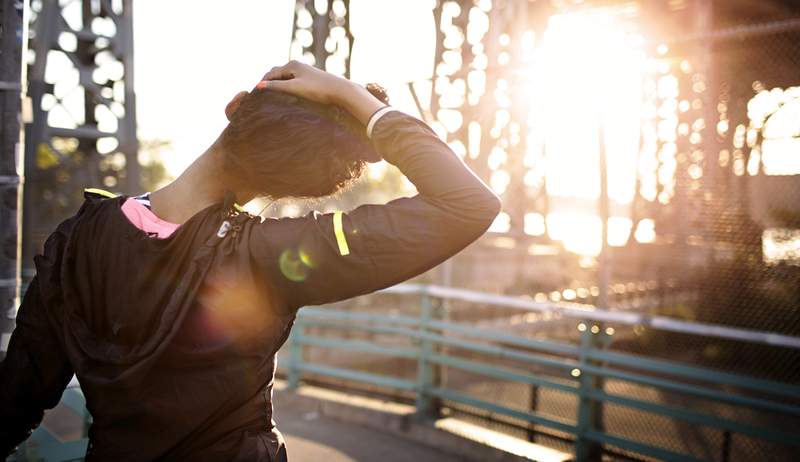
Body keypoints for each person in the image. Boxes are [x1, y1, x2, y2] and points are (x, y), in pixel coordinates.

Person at [0, 60, 501, 461]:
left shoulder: (77, 239)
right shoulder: (271, 255)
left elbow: (15, 399)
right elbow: (467, 205)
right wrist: (352, 98)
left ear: (234, 106)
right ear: (303, 187)